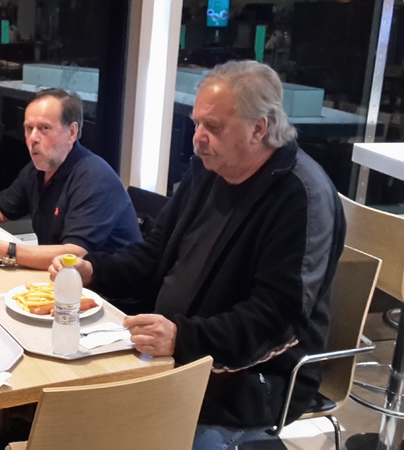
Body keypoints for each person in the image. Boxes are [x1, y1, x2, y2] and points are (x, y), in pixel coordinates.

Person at [49, 60, 345, 448]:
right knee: (66, 403)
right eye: (196, 124)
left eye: (213, 127)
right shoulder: (209, 170)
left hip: (248, 381)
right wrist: (93, 271)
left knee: (113, 431)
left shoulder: (300, 197)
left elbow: (275, 320)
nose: (197, 139)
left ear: (259, 128)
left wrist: (182, 338)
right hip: (172, 355)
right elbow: (153, 254)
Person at [0, 88, 142, 270]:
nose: (32, 138)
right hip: (61, 278)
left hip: (106, 288)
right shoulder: (37, 170)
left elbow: (74, 254)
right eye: (28, 128)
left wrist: (2, 250)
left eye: (44, 128)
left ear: (72, 133)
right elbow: (0, 209)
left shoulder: (94, 177)